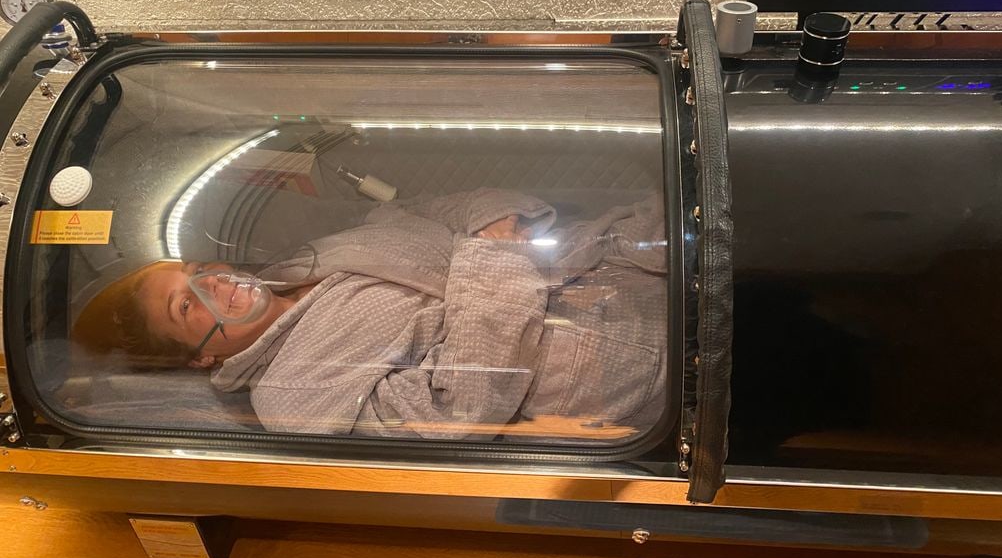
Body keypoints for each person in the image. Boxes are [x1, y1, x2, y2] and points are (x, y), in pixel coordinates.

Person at [74, 189, 668, 440]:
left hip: (634, 255)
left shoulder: (314, 255)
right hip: (638, 364)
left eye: (200, 270)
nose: (214, 283)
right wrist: (493, 257)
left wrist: (497, 215)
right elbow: (455, 407)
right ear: (201, 355)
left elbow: (422, 211)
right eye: (188, 303)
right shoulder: (293, 396)